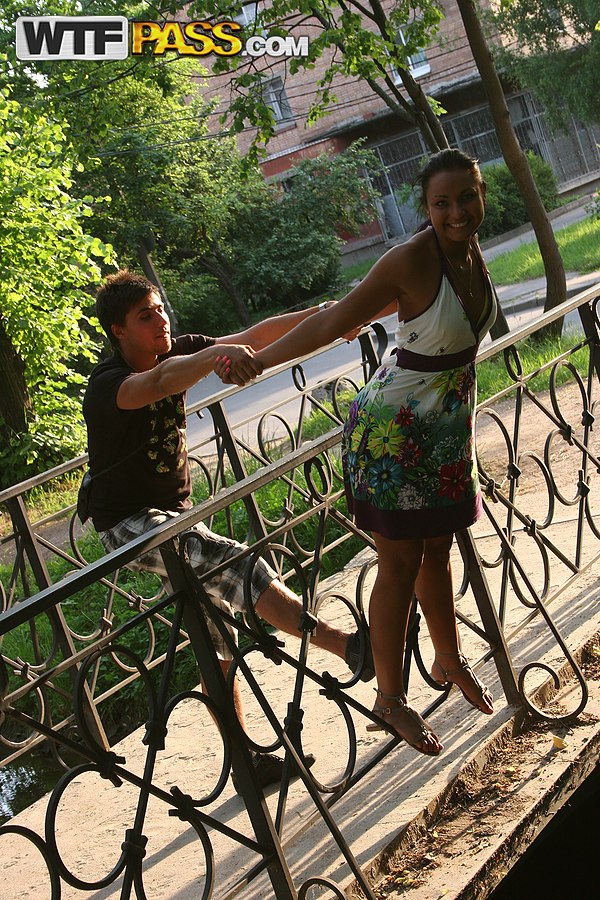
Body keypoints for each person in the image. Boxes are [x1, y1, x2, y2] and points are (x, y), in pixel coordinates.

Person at [217, 149, 497, 757]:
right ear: (425, 208)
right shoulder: (410, 260)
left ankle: (448, 658)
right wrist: (259, 360)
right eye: (442, 203)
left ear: (481, 194)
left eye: (466, 198)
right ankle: (390, 700)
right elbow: (333, 322)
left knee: (438, 550)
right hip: (393, 434)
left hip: (445, 430)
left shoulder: (470, 251)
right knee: (400, 561)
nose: (456, 212)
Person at [82, 269, 373, 789]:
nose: (160, 321)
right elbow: (160, 383)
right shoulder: (107, 385)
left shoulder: (176, 350)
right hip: (126, 524)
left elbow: (256, 335)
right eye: (145, 316)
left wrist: (329, 316)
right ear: (118, 331)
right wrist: (216, 357)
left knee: (214, 636)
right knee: (235, 562)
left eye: (160, 309)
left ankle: (245, 764)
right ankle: (347, 647)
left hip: (173, 516)